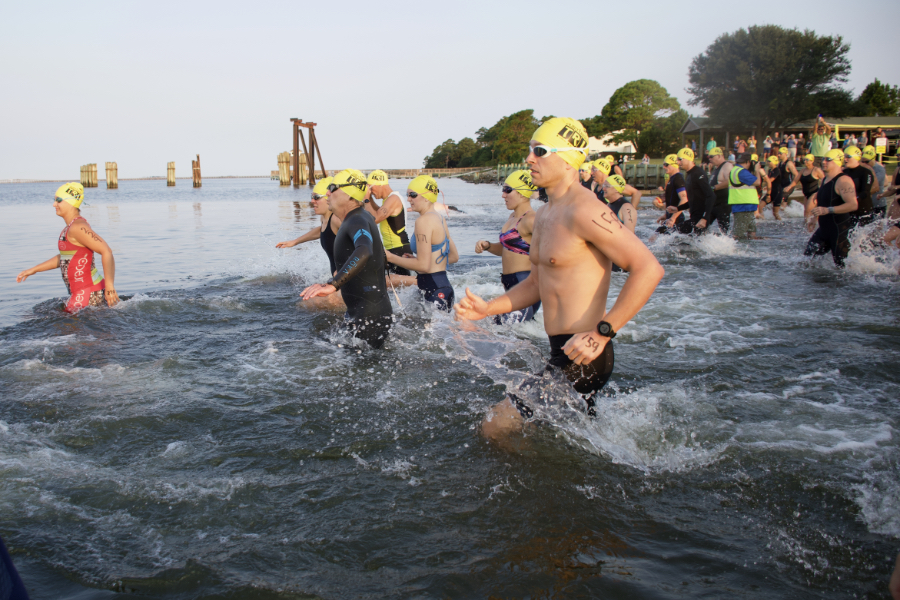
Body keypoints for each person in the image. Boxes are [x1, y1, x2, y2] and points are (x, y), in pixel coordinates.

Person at [454, 117, 664, 439]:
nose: (529, 159)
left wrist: (603, 332)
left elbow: (649, 268)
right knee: (566, 439)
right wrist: (488, 309)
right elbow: (537, 285)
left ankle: (534, 486)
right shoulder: (546, 214)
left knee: (495, 426)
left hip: (585, 352)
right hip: (561, 349)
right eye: (530, 151)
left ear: (568, 161)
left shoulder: (586, 210)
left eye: (540, 151)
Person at [300, 169, 393, 348]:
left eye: (333, 188)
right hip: (363, 313)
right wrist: (330, 281)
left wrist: (333, 284)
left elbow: (364, 250)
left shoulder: (356, 220)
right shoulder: (357, 218)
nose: (327, 192)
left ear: (350, 195)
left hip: (369, 315)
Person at [16, 182, 119, 313]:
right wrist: (33, 270)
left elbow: (106, 251)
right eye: (54, 200)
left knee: (66, 327)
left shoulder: (78, 227)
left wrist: (110, 287)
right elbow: (66, 258)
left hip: (88, 293)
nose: (54, 204)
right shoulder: (70, 228)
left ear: (71, 202)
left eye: (58, 200)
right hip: (83, 293)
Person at [475, 170, 541, 322]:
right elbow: (511, 249)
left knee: (498, 331)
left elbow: (553, 250)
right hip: (512, 287)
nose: (503, 195)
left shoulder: (532, 219)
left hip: (525, 287)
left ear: (522, 192)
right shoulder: (512, 217)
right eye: (503, 190)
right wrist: (488, 246)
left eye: (507, 190)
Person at [385, 175, 459, 311]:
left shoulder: (423, 221)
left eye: (413, 195)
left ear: (426, 197)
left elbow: (423, 266)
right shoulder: (440, 218)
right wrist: (418, 259)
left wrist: (390, 257)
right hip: (443, 287)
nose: (408, 199)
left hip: (434, 290)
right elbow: (453, 256)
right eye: (408, 195)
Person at [803, 149, 858, 267]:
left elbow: (853, 205)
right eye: (823, 159)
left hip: (839, 229)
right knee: (807, 260)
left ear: (838, 161)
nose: (824, 162)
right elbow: (824, 201)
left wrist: (828, 210)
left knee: (842, 267)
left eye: (828, 159)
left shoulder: (843, 180)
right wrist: (814, 218)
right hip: (824, 229)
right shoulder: (825, 179)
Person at [276, 176, 341, 272]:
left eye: (316, 197)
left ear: (329, 198)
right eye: (312, 197)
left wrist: (338, 280)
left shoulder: (337, 219)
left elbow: (359, 250)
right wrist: (295, 241)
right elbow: (322, 230)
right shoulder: (324, 218)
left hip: (348, 280)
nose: (312, 201)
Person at [363, 169, 414, 278]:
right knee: (396, 287)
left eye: (370, 188)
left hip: (399, 249)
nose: (370, 191)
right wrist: (370, 198)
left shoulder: (393, 199)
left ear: (380, 185)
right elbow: (378, 212)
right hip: (393, 249)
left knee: (402, 286)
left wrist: (366, 199)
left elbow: (374, 219)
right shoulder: (389, 199)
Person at [676, 148, 715, 234]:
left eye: (680, 159)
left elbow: (711, 195)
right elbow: (693, 199)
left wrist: (705, 218)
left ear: (688, 158)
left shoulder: (698, 173)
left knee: (673, 234)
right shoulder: (689, 174)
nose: (678, 162)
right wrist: (678, 208)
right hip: (695, 218)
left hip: (700, 220)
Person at [729, 152, 765, 240]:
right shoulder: (742, 172)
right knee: (738, 234)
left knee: (752, 232)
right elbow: (757, 183)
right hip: (744, 205)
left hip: (744, 205)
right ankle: (738, 250)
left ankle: (749, 249)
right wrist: (757, 171)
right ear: (748, 161)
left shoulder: (735, 170)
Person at [652, 154, 688, 239]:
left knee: (654, 239)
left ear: (674, 164)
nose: (664, 167)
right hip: (671, 217)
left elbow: (684, 199)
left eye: (666, 164)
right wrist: (666, 215)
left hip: (676, 218)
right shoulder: (672, 179)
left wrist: (673, 218)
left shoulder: (678, 179)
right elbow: (671, 199)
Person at [842, 146, 875, 226]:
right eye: (844, 157)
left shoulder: (865, 172)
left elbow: (865, 192)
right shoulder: (843, 172)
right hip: (848, 212)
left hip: (863, 211)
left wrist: (853, 201)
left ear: (856, 158)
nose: (845, 159)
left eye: (848, 157)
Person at [707, 147, 734, 234]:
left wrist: (714, 187)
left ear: (719, 156)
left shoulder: (727, 165)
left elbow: (730, 181)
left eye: (711, 157)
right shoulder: (716, 168)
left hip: (723, 204)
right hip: (713, 204)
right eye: (708, 157)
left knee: (724, 231)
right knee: (702, 225)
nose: (709, 159)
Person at [861, 146, 886, 218]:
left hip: (878, 203)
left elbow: (874, 184)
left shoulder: (879, 169)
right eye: (863, 161)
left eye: (867, 161)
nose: (865, 163)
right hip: (867, 204)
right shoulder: (863, 168)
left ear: (873, 160)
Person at [798, 154, 825, 221]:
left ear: (812, 161)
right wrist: (789, 187)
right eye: (804, 160)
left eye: (807, 160)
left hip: (814, 193)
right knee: (806, 212)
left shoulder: (816, 170)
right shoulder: (802, 170)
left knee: (808, 211)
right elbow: (795, 181)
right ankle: (807, 227)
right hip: (806, 194)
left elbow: (825, 180)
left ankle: (809, 227)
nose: (805, 161)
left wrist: (822, 190)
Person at [760, 155, 785, 220]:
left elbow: (771, 180)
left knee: (775, 213)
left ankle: (780, 224)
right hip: (772, 191)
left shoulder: (777, 170)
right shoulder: (770, 170)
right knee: (761, 206)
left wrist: (765, 178)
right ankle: (763, 220)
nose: (768, 163)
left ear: (774, 162)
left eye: (769, 161)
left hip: (777, 192)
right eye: (767, 161)